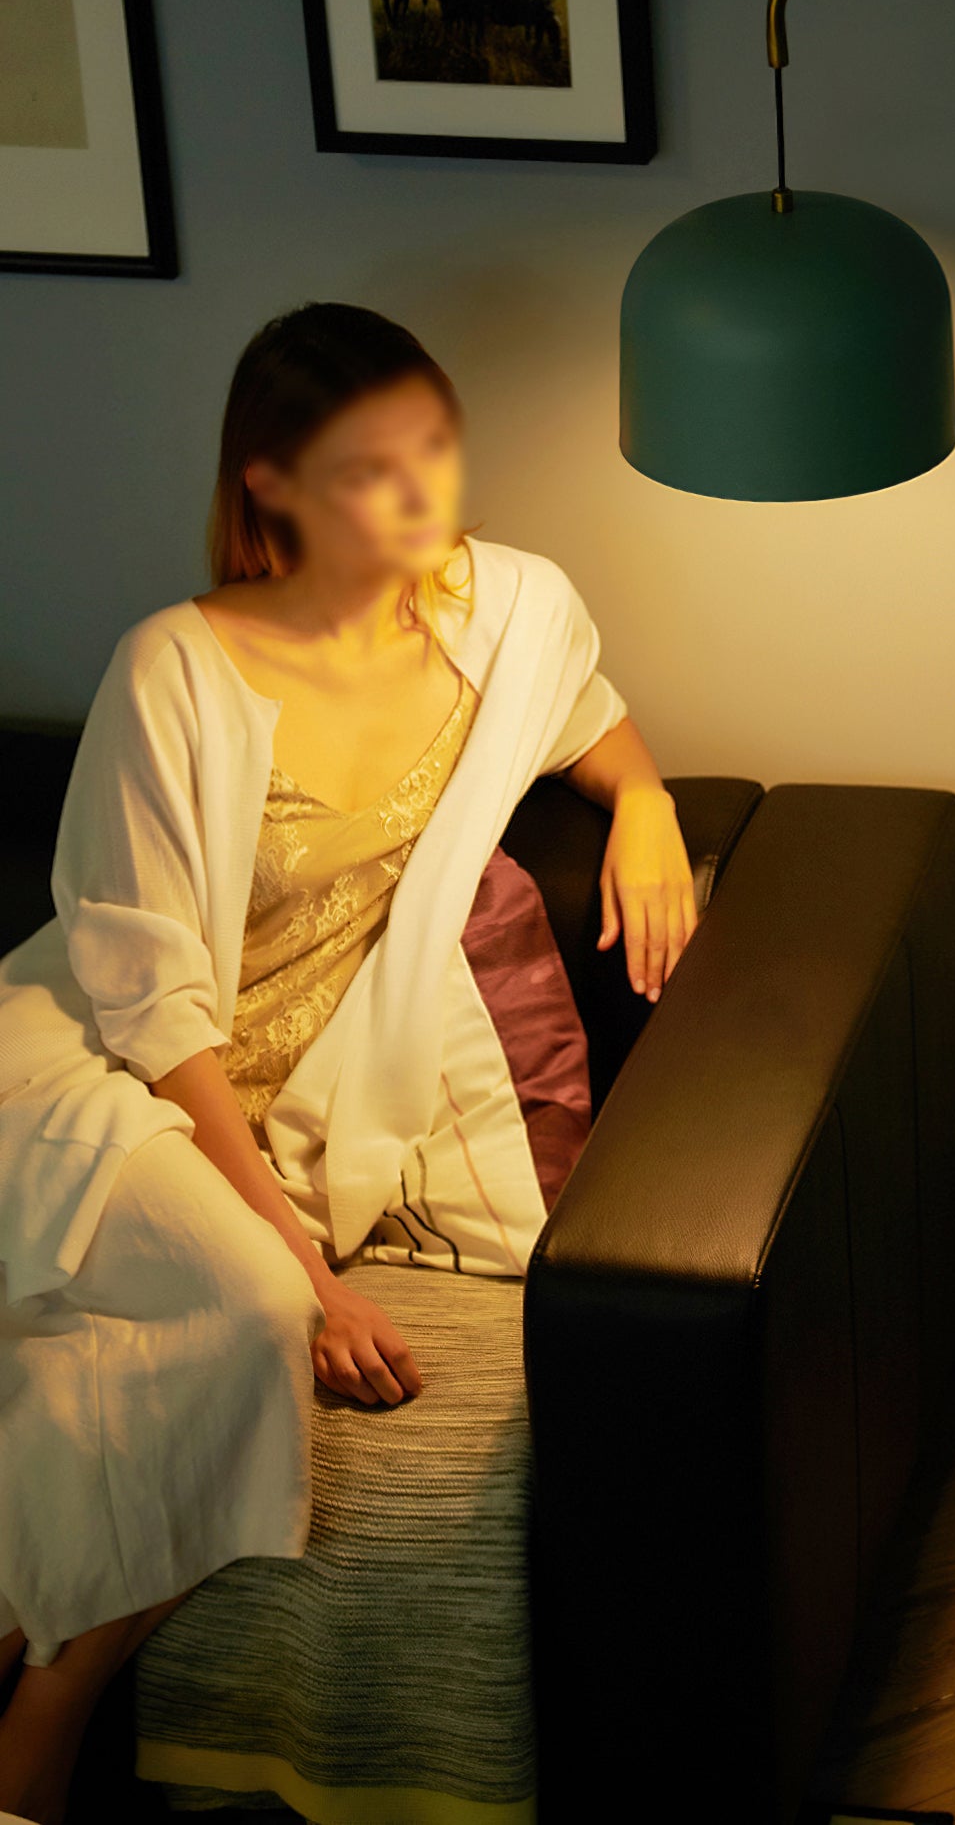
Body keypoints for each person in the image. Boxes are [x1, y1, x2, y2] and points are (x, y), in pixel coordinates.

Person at [0, 300, 698, 1825]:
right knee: (257, 1317)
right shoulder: (173, 670)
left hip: (295, 1096)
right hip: (105, 1076)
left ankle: (29, 1690)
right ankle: (44, 1728)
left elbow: (587, 716)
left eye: (432, 449)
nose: (420, 494)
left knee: (158, 1357)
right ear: (273, 486)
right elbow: (150, 1005)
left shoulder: (507, 611)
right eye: (369, 466)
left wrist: (644, 803)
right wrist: (309, 1275)